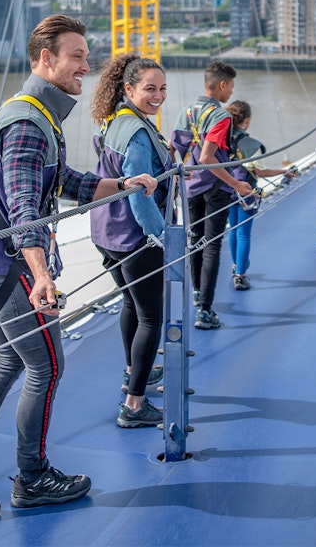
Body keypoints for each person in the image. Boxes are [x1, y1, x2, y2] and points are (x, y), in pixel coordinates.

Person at [0, 15, 157, 520]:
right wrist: (43, 275)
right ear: (45, 59)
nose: (87, 65)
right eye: (76, 56)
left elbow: (68, 182)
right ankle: (31, 478)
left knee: (11, 361)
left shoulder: (34, 114)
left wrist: (125, 184)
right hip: (10, 268)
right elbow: (23, 208)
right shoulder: (29, 123)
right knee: (47, 366)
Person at [89, 53, 174, 428]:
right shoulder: (138, 133)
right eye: (149, 89)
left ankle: (132, 372)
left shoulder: (115, 120)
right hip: (135, 237)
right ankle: (135, 406)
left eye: (162, 89)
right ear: (128, 89)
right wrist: (164, 238)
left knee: (131, 306)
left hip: (107, 233)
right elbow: (140, 194)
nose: (158, 96)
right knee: (152, 317)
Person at [171, 60, 254, 330]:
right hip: (215, 188)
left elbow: (171, 146)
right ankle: (205, 311)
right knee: (212, 246)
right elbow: (208, 157)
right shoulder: (221, 116)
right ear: (222, 85)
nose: (231, 93)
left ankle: (196, 294)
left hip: (190, 187)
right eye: (230, 87)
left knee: (194, 241)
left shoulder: (185, 110)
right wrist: (237, 184)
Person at [224, 100, 299, 291]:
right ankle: (240, 276)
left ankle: (235, 266)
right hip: (247, 193)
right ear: (247, 121)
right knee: (243, 233)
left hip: (227, 189)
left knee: (233, 230)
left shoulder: (223, 139)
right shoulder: (251, 144)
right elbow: (261, 172)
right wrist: (284, 171)